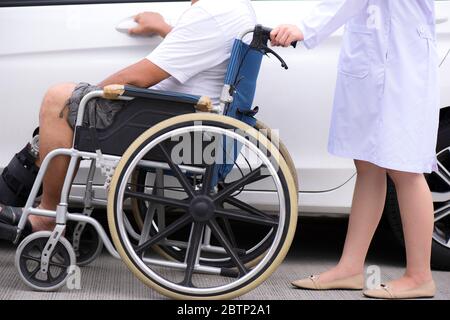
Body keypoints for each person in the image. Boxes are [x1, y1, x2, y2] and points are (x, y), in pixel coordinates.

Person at [0, 0, 256, 232]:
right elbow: (199, 50)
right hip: (186, 123)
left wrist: (90, 97)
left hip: (165, 124)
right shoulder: (235, 9)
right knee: (74, 108)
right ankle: (21, 197)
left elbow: (140, 77)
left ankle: (46, 214)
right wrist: (165, 27)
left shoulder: (211, 12)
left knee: (60, 99)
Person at [270, 0, 439, 299]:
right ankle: (350, 268)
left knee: (405, 168)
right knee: (368, 165)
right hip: (372, 53)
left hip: (401, 58)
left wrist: (305, 29)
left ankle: (419, 276)